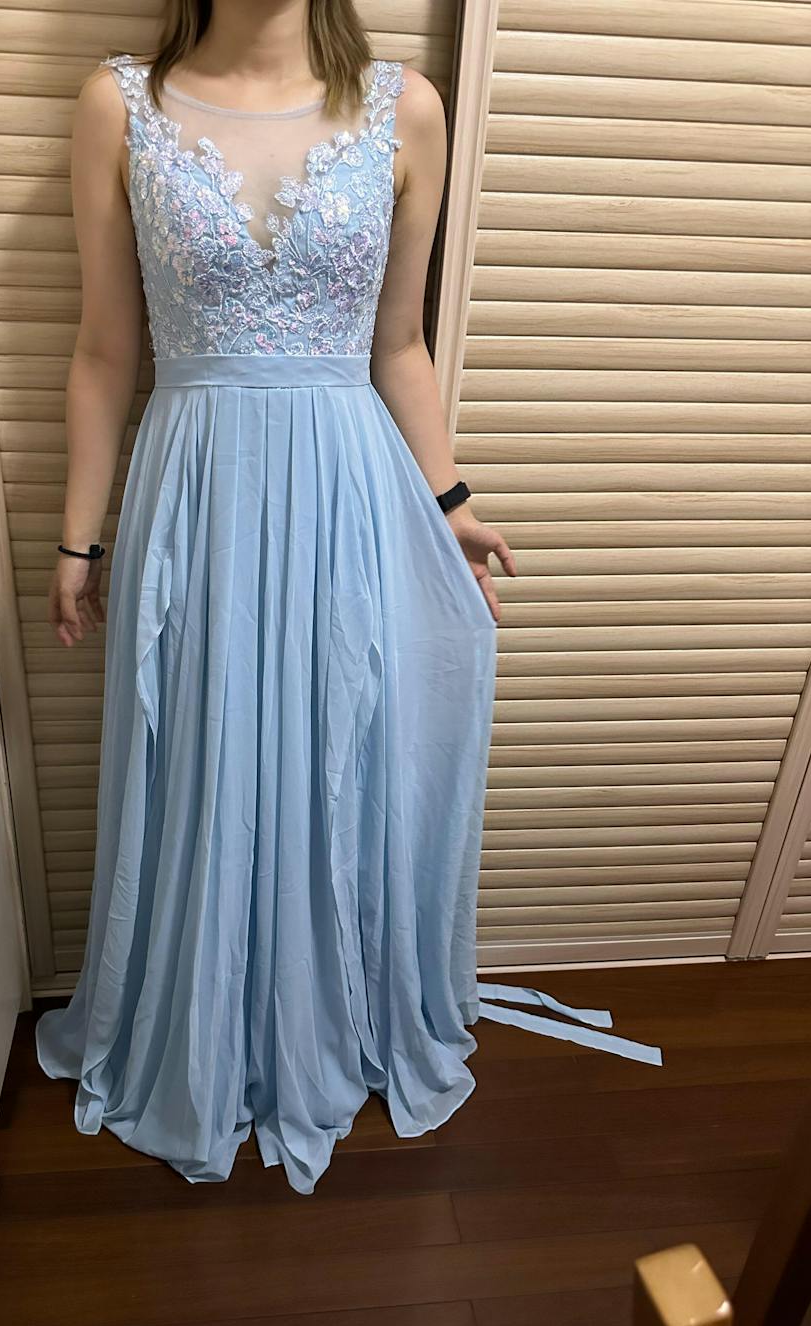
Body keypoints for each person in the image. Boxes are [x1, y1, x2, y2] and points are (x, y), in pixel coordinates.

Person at [35, 0, 662, 1196]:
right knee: (210, 755)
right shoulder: (118, 105)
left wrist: (449, 501)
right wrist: (80, 536)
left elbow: (398, 347)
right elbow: (106, 350)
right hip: (201, 493)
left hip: (348, 490)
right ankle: (208, 1029)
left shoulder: (405, 108)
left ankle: (329, 1007)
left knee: (342, 746)